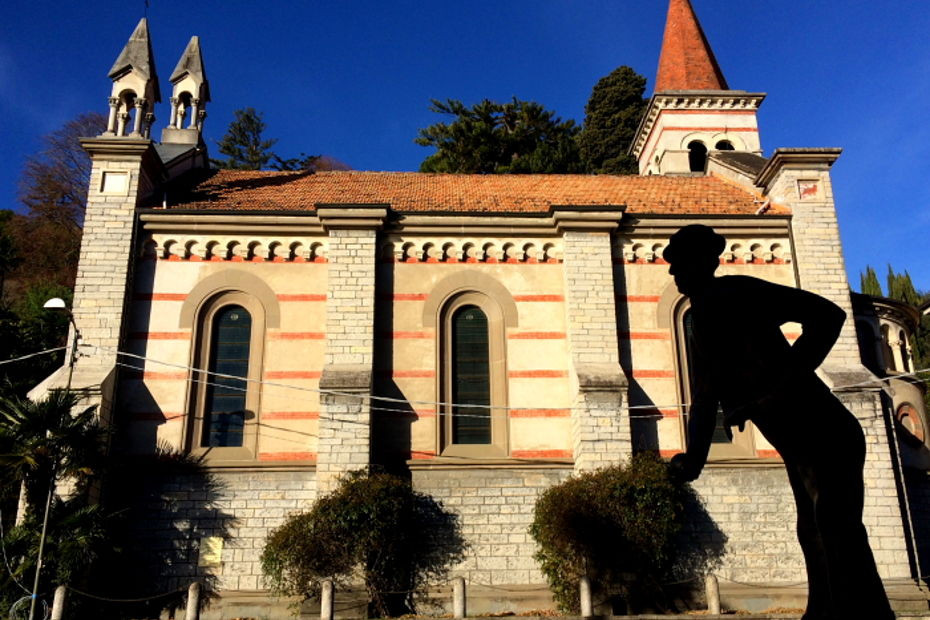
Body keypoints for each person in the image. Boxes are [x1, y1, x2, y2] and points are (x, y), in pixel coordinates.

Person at [664, 224, 894, 620]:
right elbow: (704, 396)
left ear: (705, 261)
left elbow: (828, 315)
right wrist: (694, 458)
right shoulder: (699, 318)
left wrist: (782, 383)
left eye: (679, 262)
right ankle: (824, 612)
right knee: (813, 531)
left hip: (825, 430)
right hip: (796, 442)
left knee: (836, 529)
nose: (672, 272)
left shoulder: (737, 291)